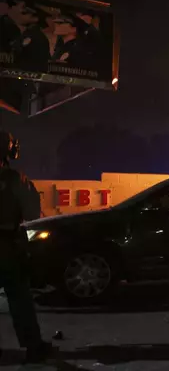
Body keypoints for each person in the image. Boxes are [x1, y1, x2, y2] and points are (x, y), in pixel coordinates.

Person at [0, 130, 54, 364]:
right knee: (20, 299)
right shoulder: (15, 179)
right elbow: (32, 214)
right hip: (7, 246)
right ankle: (33, 347)